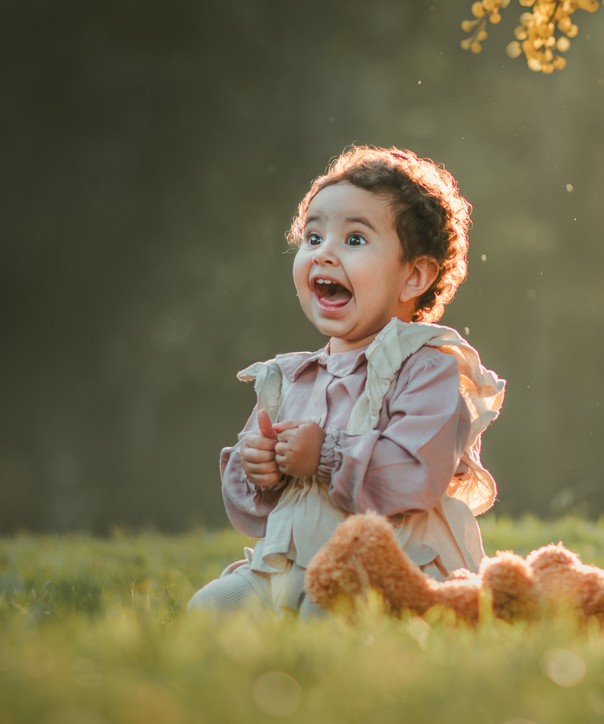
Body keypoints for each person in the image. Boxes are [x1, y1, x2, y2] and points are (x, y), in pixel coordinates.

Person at [187, 146, 505, 619]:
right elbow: (258, 510)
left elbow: (414, 474)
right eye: (313, 237)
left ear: (413, 276)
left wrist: (325, 456)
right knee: (208, 610)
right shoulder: (292, 376)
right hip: (292, 565)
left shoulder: (425, 366)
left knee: (327, 615)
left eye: (355, 240)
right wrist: (261, 468)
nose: (325, 254)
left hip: (391, 566)